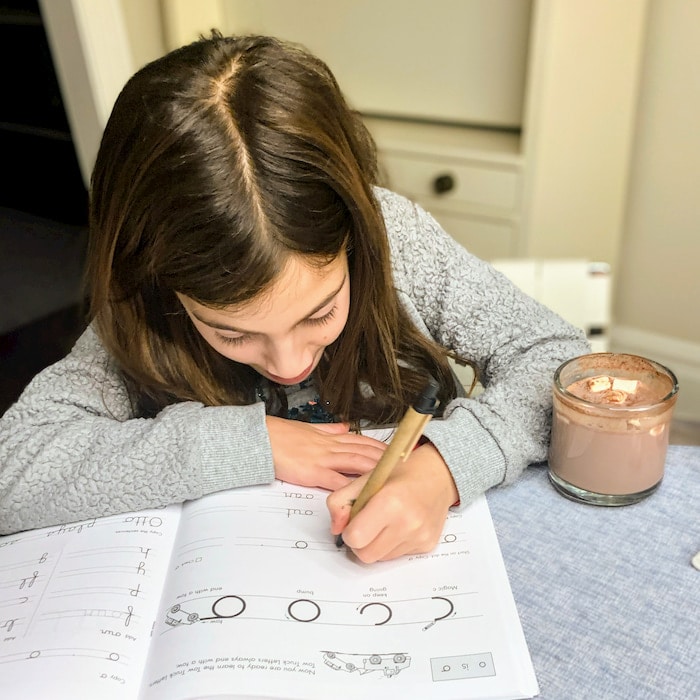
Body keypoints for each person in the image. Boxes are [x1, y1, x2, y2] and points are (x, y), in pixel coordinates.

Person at [0, 32, 589, 559]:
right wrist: (240, 443)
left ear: (354, 236)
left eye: (322, 312)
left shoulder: (397, 239)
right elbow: (14, 469)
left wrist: (445, 466)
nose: (290, 364)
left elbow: (562, 363)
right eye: (232, 331)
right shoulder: (142, 295)